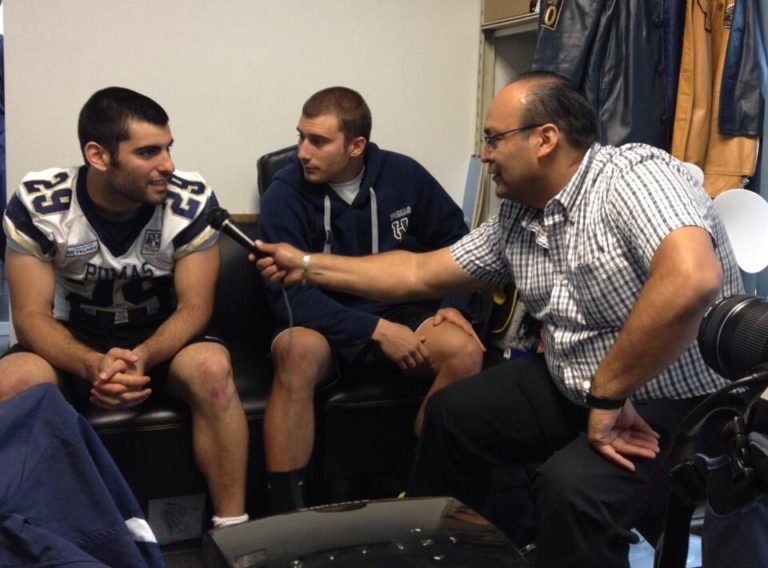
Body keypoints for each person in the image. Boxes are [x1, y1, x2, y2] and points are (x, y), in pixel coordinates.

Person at [254, 72, 744, 566]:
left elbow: (692, 280)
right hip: (578, 385)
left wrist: (609, 391)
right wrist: (308, 265)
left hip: (678, 400)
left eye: (493, 139)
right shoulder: (518, 215)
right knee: (453, 416)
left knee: (571, 489)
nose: (484, 154)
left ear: (545, 139)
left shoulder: (633, 175)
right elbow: (422, 271)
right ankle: (446, 554)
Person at [0, 86, 249, 529]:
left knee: (212, 370)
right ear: (98, 155)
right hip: (75, 338)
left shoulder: (189, 200)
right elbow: (30, 317)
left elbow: (195, 307)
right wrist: (92, 364)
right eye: (149, 152)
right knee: (13, 381)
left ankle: (233, 532)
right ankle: (30, 536)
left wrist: (142, 357)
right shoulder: (42, 202)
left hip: (164, 336)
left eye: (168, 148)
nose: (168, 165)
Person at [256, 86, 485, 513]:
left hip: (396, 307)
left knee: (464, 351)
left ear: (356, 145)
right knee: (295, 351)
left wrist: (454, 303)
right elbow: (286, 295)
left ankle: (415, 489)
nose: (303, 151)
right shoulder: (284, 192)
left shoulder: (403, 175)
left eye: (318, 141)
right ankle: (288, 511)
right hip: (320, 318)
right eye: (301, 136)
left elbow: (458, 243)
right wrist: (377, 331)